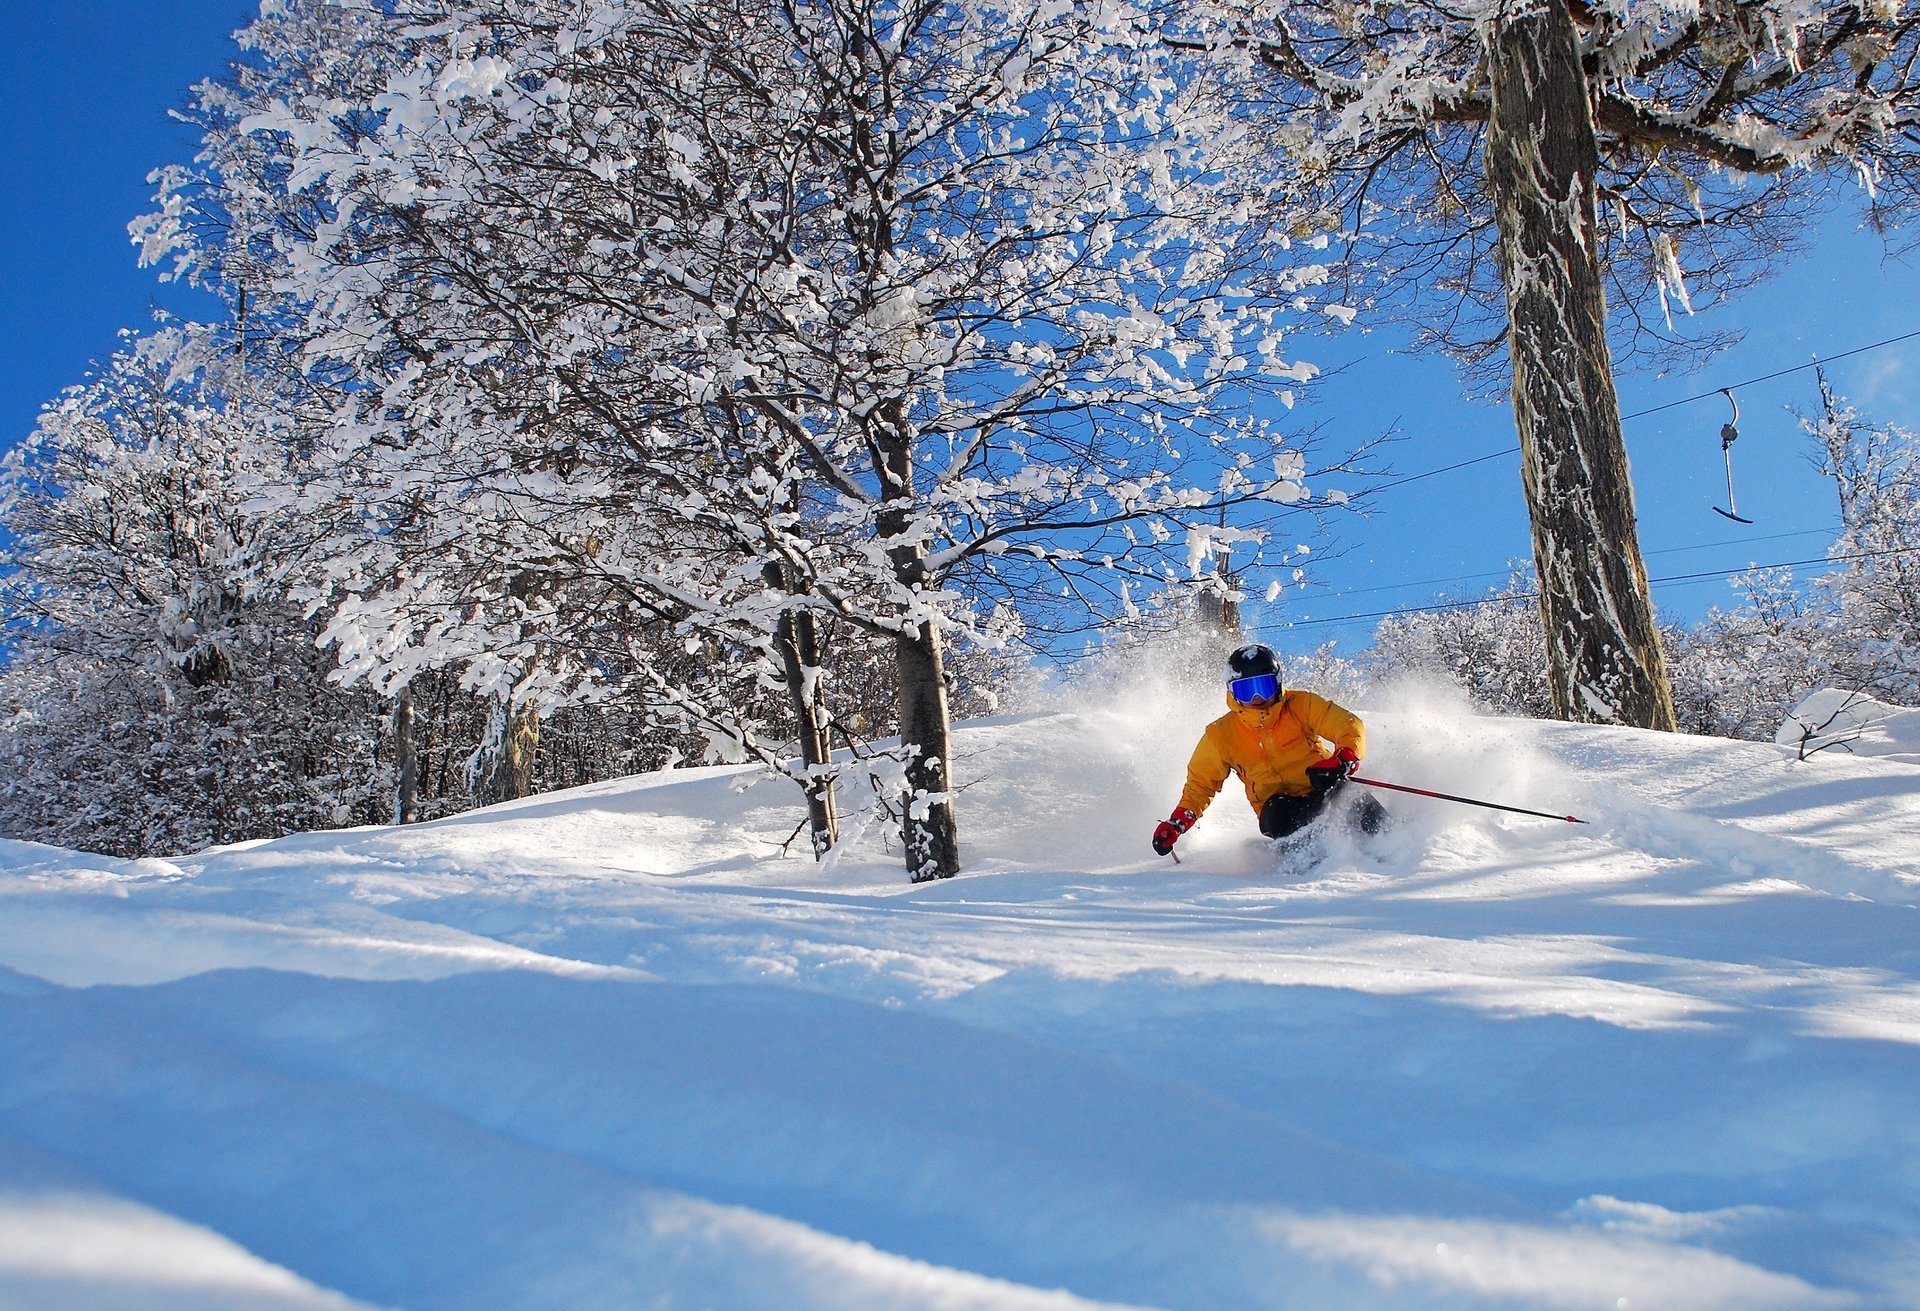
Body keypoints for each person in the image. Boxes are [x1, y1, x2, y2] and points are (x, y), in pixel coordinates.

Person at [1151, 643, 1389, 857]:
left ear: (1277, 683)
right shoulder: (1221, 734)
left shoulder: (1300, 704)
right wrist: (1178, 822)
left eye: (1263, 687)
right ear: (1232, 692)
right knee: (1279, 815)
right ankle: (1312, 858)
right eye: (1245, 690)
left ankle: (1391, 841)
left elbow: (1347, 725)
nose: (1256, 698)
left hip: (1320, 783)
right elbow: (1201, 784)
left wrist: (1344, 758)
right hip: (1278, 807)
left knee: (1347, 795)